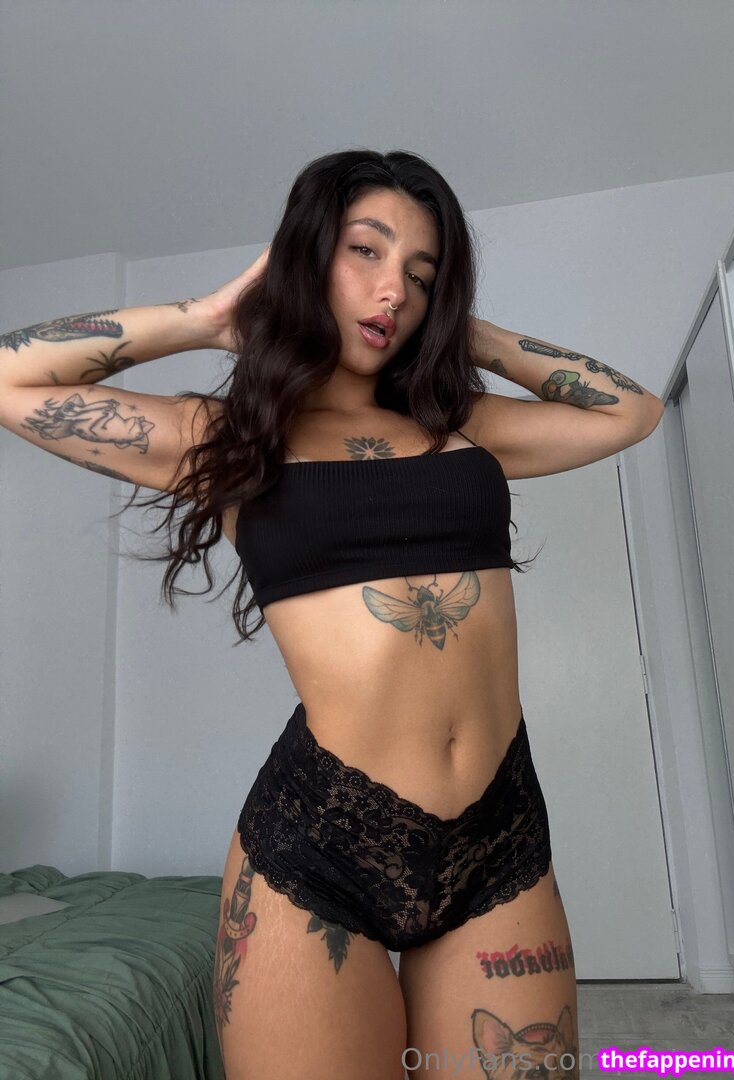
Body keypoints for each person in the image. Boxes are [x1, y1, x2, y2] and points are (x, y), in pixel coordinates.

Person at [0, 148, 664, 1079]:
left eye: (421, 275)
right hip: (318, 846)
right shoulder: (227, 440)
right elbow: (11, 378)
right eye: (366, 250)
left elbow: (633, 412)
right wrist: (205, 319)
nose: (393, 290)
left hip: (500, 831)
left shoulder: (461, 424)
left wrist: (467, 333)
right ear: (306, 256)